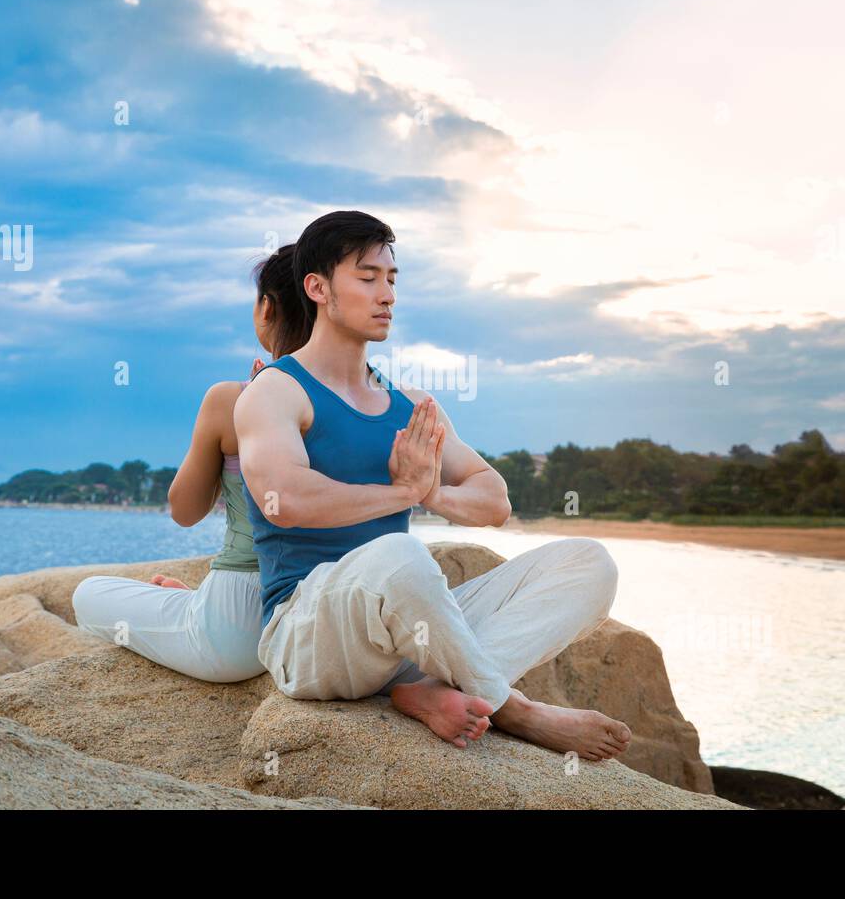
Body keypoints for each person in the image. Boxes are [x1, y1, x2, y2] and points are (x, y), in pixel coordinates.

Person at [235, 209, 633, 759]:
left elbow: (494, 498)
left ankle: (432, 688)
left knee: (588, 562)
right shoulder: (276, 390)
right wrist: (399, 495)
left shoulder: (410, 405)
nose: (386, 295)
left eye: (392, 279)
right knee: (401, 555)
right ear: (318, 288)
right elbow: (285, 501)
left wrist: (432, 494)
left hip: (409, 633)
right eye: (367, 277)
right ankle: (512, 707)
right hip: (311, 634)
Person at [70, 243, 308, 682]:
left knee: (87, 594)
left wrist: (230, 437)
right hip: (322, 616)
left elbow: (184, 510)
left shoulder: (233, 398)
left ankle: (193, 608)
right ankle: (192, 603)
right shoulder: (358, 401)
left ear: (266, 309)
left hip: (237, 627)